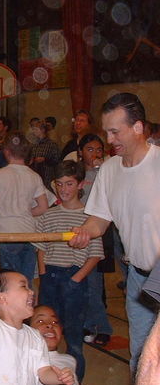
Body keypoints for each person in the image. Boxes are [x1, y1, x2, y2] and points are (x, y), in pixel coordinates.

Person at [69, 92, 160, 376]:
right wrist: (84, 232)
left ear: (138, 127)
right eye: (106, 132)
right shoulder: (109, 170)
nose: (109, 140)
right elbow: (99, 219)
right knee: (141, 359)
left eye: (115, 132)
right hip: (137, 278)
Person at [34, 160, 104, 382]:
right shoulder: (48, 215)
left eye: (69, 184)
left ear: (80, 184)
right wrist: (44, 275)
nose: (64, 189)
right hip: (50, 277)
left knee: (73, 336)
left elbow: (95, 254)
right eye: (59, 184)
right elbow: (41, 249)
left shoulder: (90, 219)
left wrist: (76, 279)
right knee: (43, 335)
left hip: (74, 279)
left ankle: (75, 383)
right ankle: (44, 378)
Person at [29, 305, 116, 385]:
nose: (49, 325)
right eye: (40, 321)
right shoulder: (24, 359)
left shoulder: (69, 360)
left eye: (55, 322)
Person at [0, 131, 48, 284]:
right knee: (26, 281)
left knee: (10, 281)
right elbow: (43, 207)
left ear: (6, 152)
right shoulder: (34, 176)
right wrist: (25, 212)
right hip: (28, 235)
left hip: (7, 234)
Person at [77, 133, 113, 346]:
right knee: (80, 283)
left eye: (99, 149)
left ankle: (102, 327)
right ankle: (86, 324)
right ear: (81, 152)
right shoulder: (77, 173)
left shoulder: (107, 173)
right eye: (90, 149)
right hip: (79, 231)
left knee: (94, 285)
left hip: (98, 234)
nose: (95, 154)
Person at [29, 121, 59, 191]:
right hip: (35, 175)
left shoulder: (51, 144)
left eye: (36, 129)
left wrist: (45, 159)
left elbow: (57, 160)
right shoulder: (34, 144)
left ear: (42, 130)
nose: (34, 131)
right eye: (33, 129)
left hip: (47, 177)